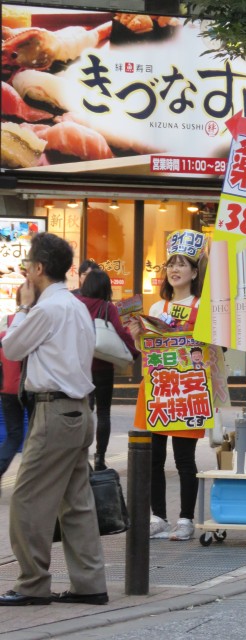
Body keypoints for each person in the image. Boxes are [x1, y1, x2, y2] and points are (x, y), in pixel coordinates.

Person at [0, 232, 108, 606]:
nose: (25, 270)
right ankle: (90, 584)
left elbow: (12, 347)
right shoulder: (75, 305)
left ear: (40, 268)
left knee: (28, 498)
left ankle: (32, 584)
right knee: (75, 502)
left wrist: (25, 308)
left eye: (28, 264)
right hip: (80, 410)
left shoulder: (45, 308)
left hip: (55, 412)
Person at [129, 229, 207, 542]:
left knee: (185, 458)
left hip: (188, 387)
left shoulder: (203, 305)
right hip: (156, 386)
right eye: (170, 264)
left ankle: (186, 519)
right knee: (153, 457)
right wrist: (138, 333)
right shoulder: (157, 308)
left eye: (182, 264)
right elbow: (144, 351)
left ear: (194, 271)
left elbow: (212, 350)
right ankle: (158, 517)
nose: (174, 269)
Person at [77, 269, 139, 471]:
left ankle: (79, 455)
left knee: (83, 410)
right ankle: (100, 458)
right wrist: (134, 352)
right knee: (103, 413)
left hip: (80, 366)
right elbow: (121, 333)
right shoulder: (107, 307)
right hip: (103, 367)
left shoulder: (76, 305)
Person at [0, 286, 34, 496]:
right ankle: (29, 483)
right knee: (34, 435)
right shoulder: (35, 322)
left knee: (13, 435)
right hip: (29, 386)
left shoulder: (6, 321)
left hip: (6, 388)